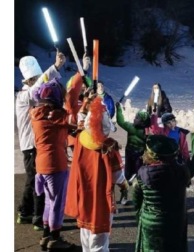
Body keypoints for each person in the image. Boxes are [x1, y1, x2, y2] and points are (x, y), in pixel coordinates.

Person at [65, 96, 129, 251]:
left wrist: (88, 105)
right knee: (100, 240)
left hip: (84, 195)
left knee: (86, 235)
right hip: (100, 198)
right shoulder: (108, 149)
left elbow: (81, 121)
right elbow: (118, 176)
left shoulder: (81, 138)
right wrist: (124, 185)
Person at [32, 73, 83, 250]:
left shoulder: (38, 114)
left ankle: (46, 235)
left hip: (41, 165)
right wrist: (80, 77)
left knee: (48, 201)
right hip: (55, 164)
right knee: (57, 203)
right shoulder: (56, 115)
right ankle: (55, 238)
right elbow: (73, 112)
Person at [15, 52, 65, 230]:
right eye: (35, 79)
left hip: (34, 143)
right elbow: (39, 87)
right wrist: (55, 67)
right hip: (31, 144)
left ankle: (24, 212)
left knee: (32, 179)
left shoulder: (30, 94)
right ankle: (37, 217)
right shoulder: (23, 96)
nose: (38, 82)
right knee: (37, 180)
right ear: (29, 80)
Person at [133, 133, 194, 252]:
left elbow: (136, 199)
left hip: (150, 222)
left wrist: (140, 217)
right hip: (176, 221)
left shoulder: (143, 173)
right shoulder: (182, 171)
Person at [115, 102, 151, 205]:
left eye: (137, 118)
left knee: (128, 175)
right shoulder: (147, 133)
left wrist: (119, 109)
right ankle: (141, 198)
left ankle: (126, 195)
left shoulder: (131, 127)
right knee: (139, 177)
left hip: (132, 153)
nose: (134, 119)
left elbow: (120, 121)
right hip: (138, 154)